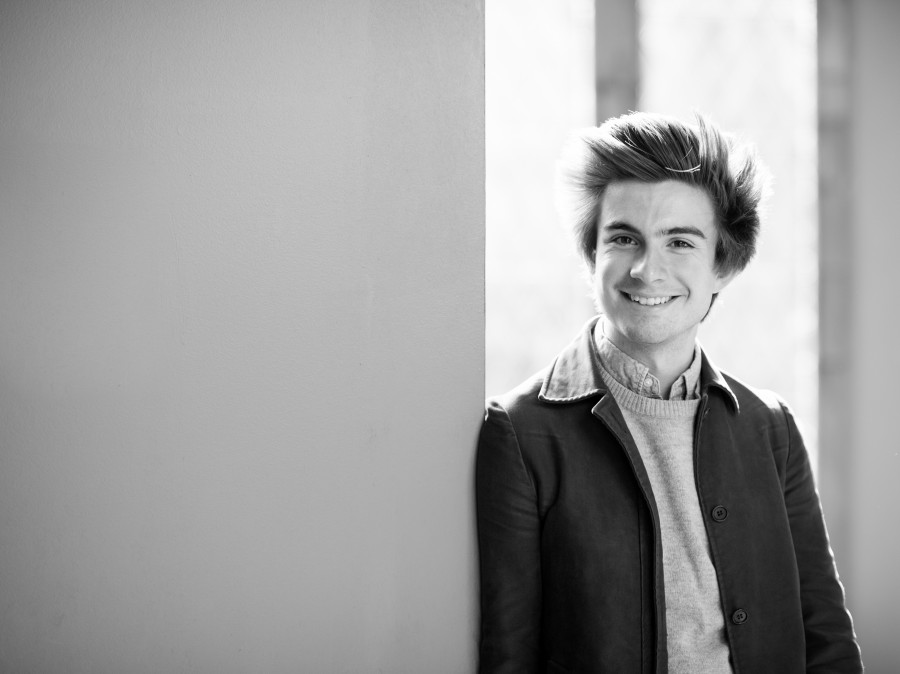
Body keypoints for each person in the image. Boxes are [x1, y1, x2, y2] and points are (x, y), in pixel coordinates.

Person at [475, 112, 862, 673]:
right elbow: (510, 658)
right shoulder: (520, 435)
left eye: (679, 241)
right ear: (593, 256)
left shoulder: (770, 429)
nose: (646, 269)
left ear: (721, 265)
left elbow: (826, 639)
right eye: (624, 238)